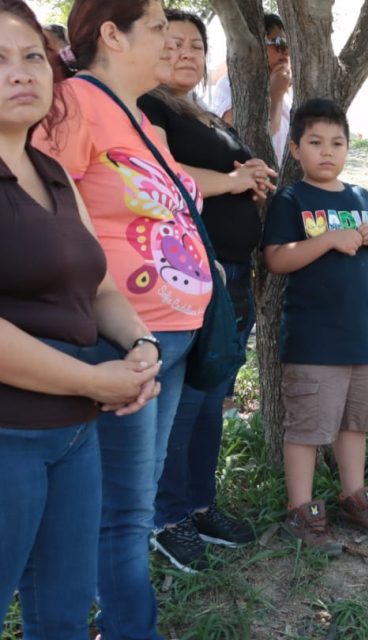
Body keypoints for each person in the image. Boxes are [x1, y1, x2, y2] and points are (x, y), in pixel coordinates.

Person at [35, 0, 213, 635]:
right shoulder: (71, 107)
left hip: (171, 336)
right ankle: (128, 627)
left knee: (138, 496)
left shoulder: (144, 120)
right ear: (112, 34)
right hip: (123, 340)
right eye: (161, 28)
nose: (172, 41)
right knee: (125, 508)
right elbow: (45, 219)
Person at [0, 1, 160, 633]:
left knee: (63, 615)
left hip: (72, 437)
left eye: (33, 55)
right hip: (7, 437)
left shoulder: (53, 173)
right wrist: (97, 381)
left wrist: (141, 343)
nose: (21, 72)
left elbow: (99, 290)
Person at [140, 9, 274, 573]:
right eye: (171, 44)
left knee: (211, 400)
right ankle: (165, 517)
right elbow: (165, 176)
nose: (185, 54)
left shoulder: (197, 110)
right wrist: (237, 180)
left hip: (231, 275)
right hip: (189, 277)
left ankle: (199, 503)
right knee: (182, 403)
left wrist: (252, 172)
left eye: (195, 45)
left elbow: (218, 172)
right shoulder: (144, 106)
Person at [262, 98, 368, 556]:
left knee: (354, 422)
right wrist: (325, 241)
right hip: (312, 340)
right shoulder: (291, 198)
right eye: (316, 143)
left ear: (348, 146)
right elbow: (277, 259)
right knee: (306, 427)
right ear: (296, 150)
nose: (328, 152)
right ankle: (300, 508)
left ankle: (352, 497)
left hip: (359, 337)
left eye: (337, 143)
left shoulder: (360, 197)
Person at [210, 12, 290, 165]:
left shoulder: (286, 94)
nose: (285, 51)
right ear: (256, 45)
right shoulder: (229, 84)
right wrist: (276, 95)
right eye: (278, 42)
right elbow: (254, 136)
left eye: (288, 44)